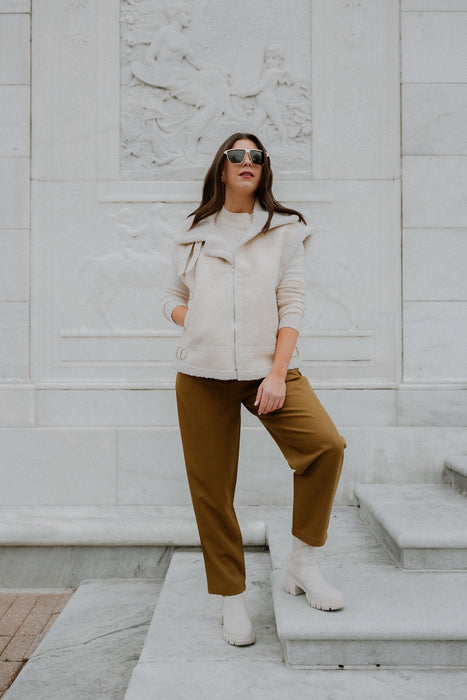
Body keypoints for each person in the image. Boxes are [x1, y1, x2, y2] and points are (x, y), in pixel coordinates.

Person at [161, 132, 347, 647]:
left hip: (268, 368)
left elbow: (293, 303)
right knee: (212, 489)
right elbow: (170, 296)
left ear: (264, 170)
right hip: (201, 375)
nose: (247, 162)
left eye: (256, 157)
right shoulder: (192, 231)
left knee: (325, 447)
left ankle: (303, 565)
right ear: (221, 169)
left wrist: (277, 373)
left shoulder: (285, 230)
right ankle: (231, 597)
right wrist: (194, 320)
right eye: (236, 156)